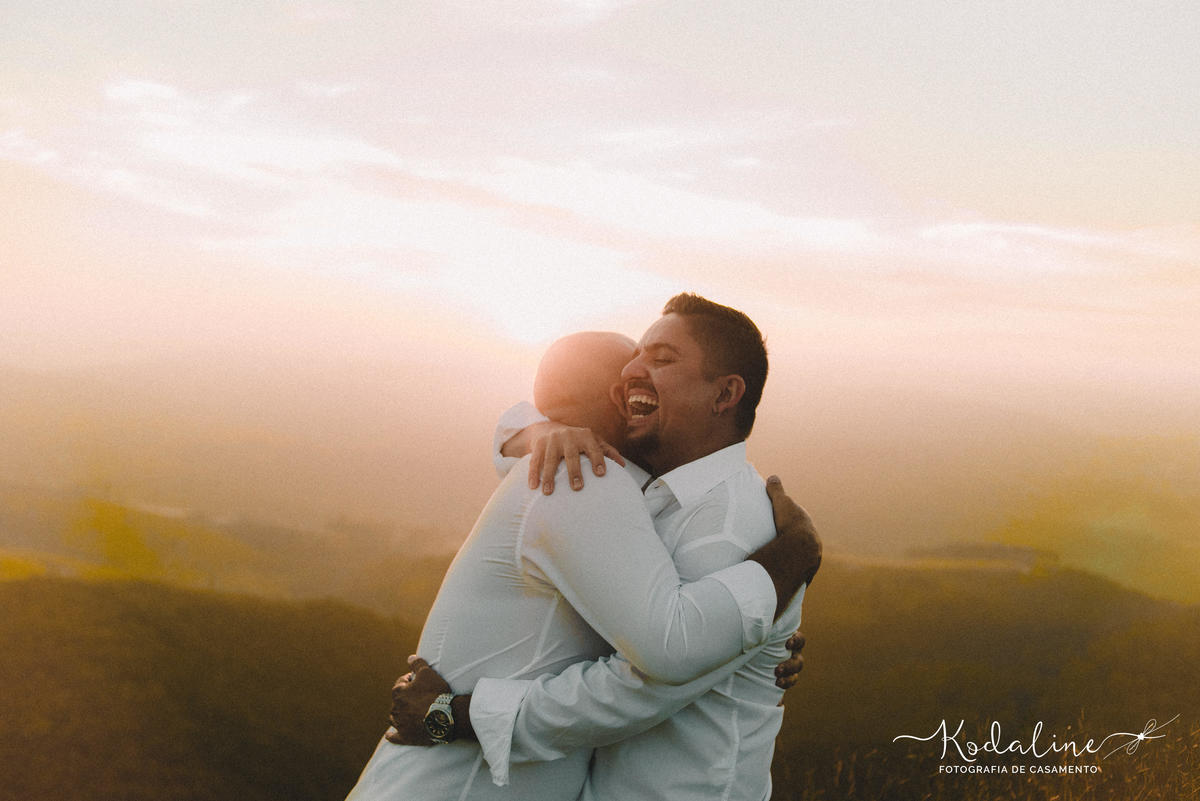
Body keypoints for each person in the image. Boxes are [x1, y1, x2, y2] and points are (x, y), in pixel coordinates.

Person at [345, 321, 818, 801]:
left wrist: (457, 714)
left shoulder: (714, 517)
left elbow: (665, 664)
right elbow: (675, 650)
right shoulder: (582, 476)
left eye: (658, 359)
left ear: (725, 394)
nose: (636, 374)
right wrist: (794, 559)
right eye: (629, 367)